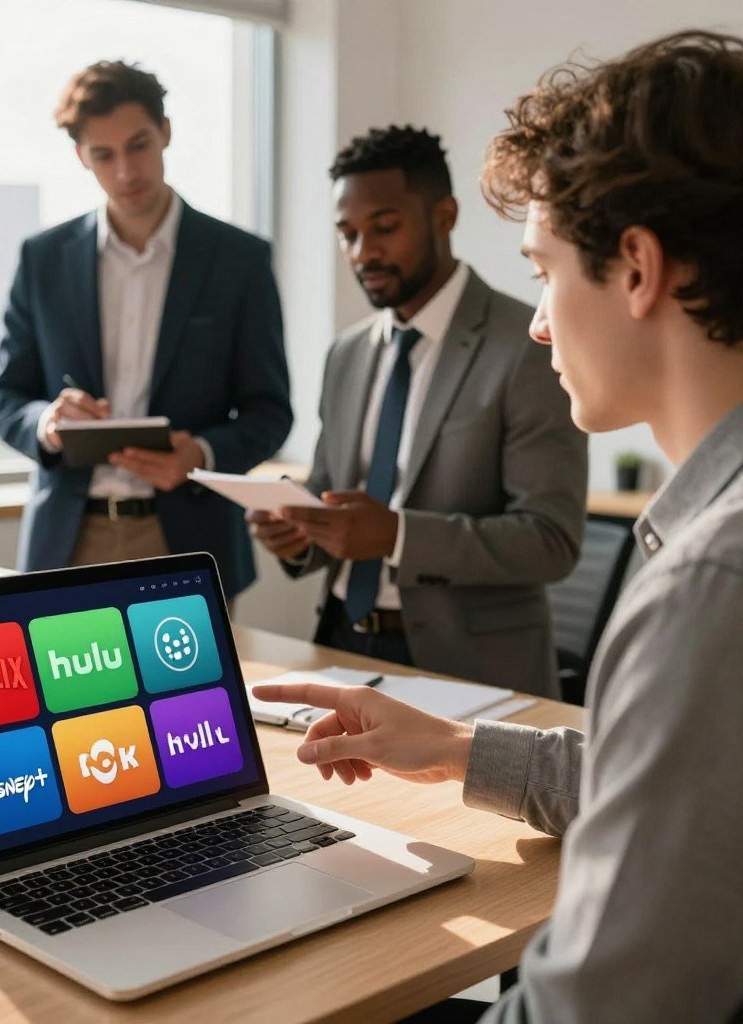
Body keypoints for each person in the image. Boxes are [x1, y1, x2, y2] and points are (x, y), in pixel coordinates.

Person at [256, 30, 743, 1023]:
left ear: (638, 269)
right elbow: (668, 780)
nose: (537, 320)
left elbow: (597, 1004)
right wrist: (455, 750)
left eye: (543, 269)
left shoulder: (706, 583)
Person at [249, 126, 586, 697]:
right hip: (340, 640)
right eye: (347, 234)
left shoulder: (528, 345)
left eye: (384, 228)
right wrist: (299, 532)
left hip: (468, 665)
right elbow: (332, 491)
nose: (363, 253)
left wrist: (397, 535)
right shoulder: (347, 353)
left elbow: (550, 540)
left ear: (444, 216)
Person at [0, 60, 291, 598]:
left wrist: (198, 454)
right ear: (82, 156)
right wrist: (47, 422)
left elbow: (270, 410)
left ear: (166, 133)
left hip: (190, 540)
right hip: (68, 541)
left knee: (194, 688)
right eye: (104, 154)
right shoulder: (44, 259)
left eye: (139, 145)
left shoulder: (238, 260)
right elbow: (5, 395)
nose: (126, 170)